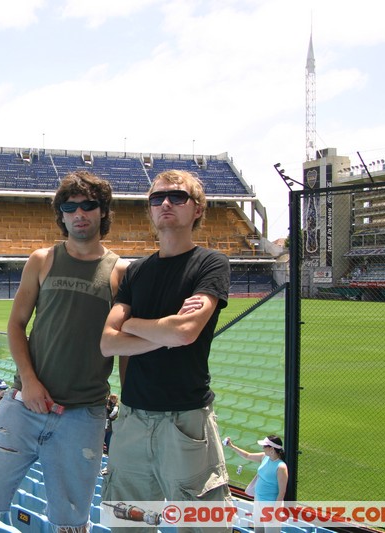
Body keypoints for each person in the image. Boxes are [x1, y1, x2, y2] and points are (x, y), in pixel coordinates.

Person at [0, 171, 127, 533]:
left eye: (88, 205)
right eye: (70, 206)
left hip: (84, 416)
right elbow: (16, 324)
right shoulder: (42, 260)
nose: (79, 213)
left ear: (103, 212)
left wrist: (125, 404)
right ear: (61, 215)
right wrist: (29, 382)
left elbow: (123, 345)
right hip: (24, 403)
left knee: (72, 520)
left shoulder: (120, 272)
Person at [100, 170, 232, 529]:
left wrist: (130, 324)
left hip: (185, 420)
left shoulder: (211, 263)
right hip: (133, 419)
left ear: (198, 209)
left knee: (203, 525)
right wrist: (166, 330)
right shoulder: (136, 272)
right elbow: (107, 341)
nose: (166, 204)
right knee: (126, 525)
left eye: (177, 197)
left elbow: (187, 332)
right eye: (157, 199)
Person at [225, 435, 288, 532]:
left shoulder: (281, 467)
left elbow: (282, 492)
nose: (262, 448)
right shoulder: (264, 457)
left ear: (272, 448)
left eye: (264, 446)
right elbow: (247, 455)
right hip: (258, 501)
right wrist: (232, 446)